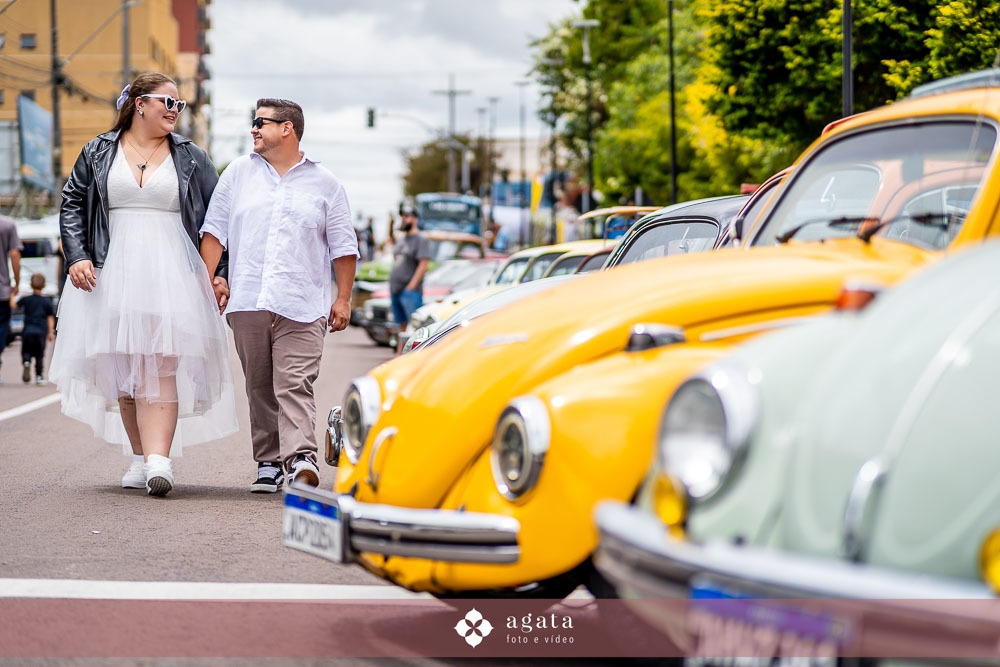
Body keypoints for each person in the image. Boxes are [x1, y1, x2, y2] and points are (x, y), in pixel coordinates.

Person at [49, 72, 238, 497]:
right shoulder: (98, 150)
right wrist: (77, 255)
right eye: (165, 102)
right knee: (127, 370)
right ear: (138, 104)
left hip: (172, 272)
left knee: (161, 362)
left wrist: (220, 270)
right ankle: (139, 457)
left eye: (179, 105)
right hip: (110, 271)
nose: (174, 110)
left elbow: (216, 221)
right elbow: (72, 204)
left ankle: (159, 460)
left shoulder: (191, 156)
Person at [200, 98, 358, 493]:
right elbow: (214, 232)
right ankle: (268, 462)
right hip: (249, 298)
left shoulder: (326, 184)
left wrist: (343, 299)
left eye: (260, 123)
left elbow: (343, 246)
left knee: (294, 381)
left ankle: (300, 460)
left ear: (287, 128)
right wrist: (207, 282)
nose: (253, 129)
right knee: (259, 384)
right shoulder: (237, 173)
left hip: (303, 301)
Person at [388, 203, 430, 329]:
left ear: (415, 219)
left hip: (410, 292)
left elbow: (423, 265)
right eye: (403, 216)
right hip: (396, 290)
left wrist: (410, 287)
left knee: (413, 327)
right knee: (402, 328)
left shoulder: (421, 239)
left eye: (407, 216)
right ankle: (401, 350)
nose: (404, 219)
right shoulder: (401, 239)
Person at [18, 272, 54, 384]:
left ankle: (26, 362)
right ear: (43, 285)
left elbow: (14, 306)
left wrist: (12, 294)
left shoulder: (26, 299)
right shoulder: (46, 301)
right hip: (41, 332)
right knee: (39, 355)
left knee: (26, 351)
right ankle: (39, 376)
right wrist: (50, 332)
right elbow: (50, 318)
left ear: (31, 284)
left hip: (27, 331)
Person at [0, 214, 21, 381]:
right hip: (2, 289)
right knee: (2, 327)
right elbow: (14, 254)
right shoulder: (7, 224)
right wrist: (17, 281)